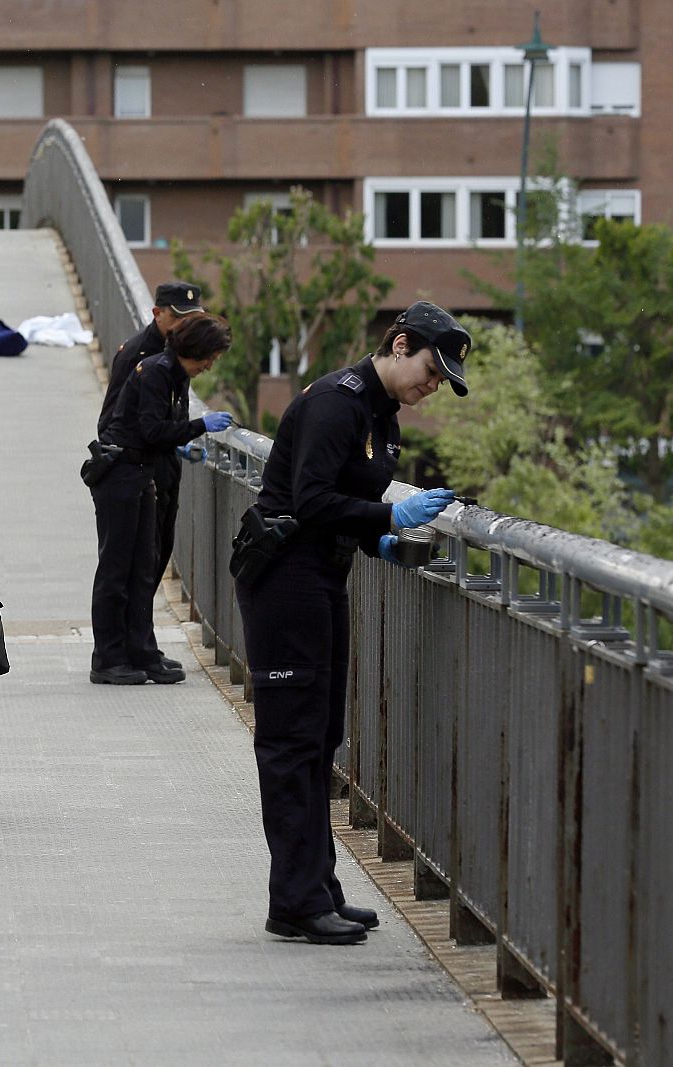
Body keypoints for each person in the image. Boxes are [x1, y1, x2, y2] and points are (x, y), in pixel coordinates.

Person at [234, 300, 471, 945]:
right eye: (430, 370)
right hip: (286, 580)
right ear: (400, 345)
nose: (432, 386)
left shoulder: (380, 415)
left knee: (320, 737)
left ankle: (318, 887)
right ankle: (294, 902)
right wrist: (390, 518)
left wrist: (378, 540)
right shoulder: (338, 404)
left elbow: (347, 503)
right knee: (291, 742)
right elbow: (311, 500)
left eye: (442, 380)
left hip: (322, 577)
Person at [90, 312, 235, 685]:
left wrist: (182, 442)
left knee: (144, 569)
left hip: (142, 473)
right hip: (122, 474)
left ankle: (142, 650)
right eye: (209, 357)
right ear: (195, 349)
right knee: (116, 570)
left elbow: (160, 430)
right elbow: (153, 429)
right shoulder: (155, 371)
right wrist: (199, 427)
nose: (209, 365)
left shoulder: (175, 374)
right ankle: (108, 658)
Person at [97, 280, 207, 592]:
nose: (186, 325)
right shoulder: (137, 354)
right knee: (133, 565)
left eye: (193, 318)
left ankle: (140, 623)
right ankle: (129, 625)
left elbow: (175, 409)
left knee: (160, 553)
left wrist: (179, 442)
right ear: (157, 313)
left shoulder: (184, 350)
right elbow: (110, 422)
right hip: (141, 470)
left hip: (166, 466)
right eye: (180, 317)